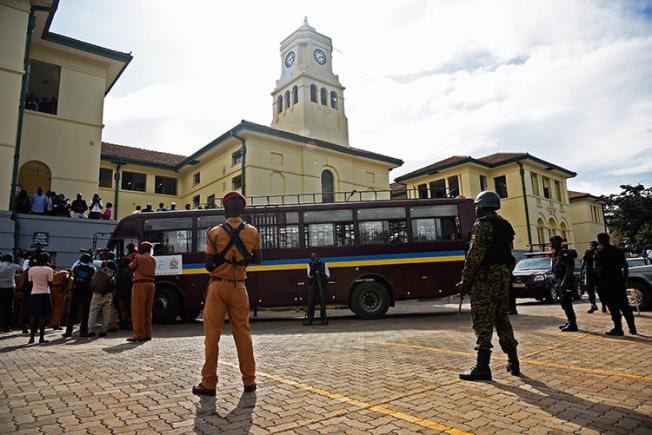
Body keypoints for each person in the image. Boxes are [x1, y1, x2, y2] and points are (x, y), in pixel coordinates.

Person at [192, 191, 262, 396]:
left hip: (217, 286)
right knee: (243, 334)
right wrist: (240, 259)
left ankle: (209, 383)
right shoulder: (253, 232)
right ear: (242, 210)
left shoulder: (214, 232)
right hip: (239, 287)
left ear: (224, 209)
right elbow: (257, 259)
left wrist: (222, 262)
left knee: (212, 336)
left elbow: (207, 265)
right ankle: (249, 381)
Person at [457, 191, 519, 381]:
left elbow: (474, 257)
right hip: (502, 278)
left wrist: (464, 283)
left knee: (483, 320)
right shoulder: (505, 225)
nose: (476, 209)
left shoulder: (482, 225)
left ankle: (482, 366)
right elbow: (510, 256)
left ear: (483, 207)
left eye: (477, 206)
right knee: (501, 318)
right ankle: (513, 361)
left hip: (485, 279)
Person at [594, 233, 637, 336]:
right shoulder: (617, 251)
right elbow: (625, 267)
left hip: (607, 283)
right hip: (619, 281)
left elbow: (597, 269)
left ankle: (618, 328)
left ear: (600, 240)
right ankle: (632, 327)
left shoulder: (600, 252)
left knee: (613, 307)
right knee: (625, 306)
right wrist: (625, 281)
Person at [127, 241, 156, 342]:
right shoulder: (153, 259)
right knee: (148, 310)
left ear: (143, 249)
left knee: (138, 310)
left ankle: (138, 334)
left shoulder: (138, 258)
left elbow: (131, 267)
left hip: (140, 285)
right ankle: (147, 333)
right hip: (151, 285)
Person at [550, 235, 578, 332]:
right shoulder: (555, 253)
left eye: (554, 242)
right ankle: (569, 321)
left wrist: (564, 282)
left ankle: (573, 323)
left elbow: (569, 268)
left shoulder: (564, 252)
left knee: (567, 302)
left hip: (566, 280)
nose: (552, 244)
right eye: (551, 243)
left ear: (559, 242)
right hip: (559, 280)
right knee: (563, 302)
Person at [63, 253, 95, 338]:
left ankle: (68, 331)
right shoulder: (92, 268)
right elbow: (92, 279)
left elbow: (72, 276)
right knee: (85, 312)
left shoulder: (76, 267)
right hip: (87, 291)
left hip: (76, 290)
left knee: (73, 311)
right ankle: (83, 331)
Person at [88, 251, 118, 337]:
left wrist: (94, 254)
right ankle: (104, 330)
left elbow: (92, 261)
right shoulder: (114, 265)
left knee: (93, 310)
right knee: (106, 311)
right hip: (108, 291)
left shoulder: (100, 263)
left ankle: (90, 330)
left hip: (97, 291)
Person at [26, 252, 54, 344]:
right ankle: (41, 338)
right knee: (43, 317)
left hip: (34, 294)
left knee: (33, 317)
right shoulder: (49, 269)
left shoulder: (31, 269)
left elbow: (30, 283)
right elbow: (50, 283)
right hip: (45, 294)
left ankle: (31, 338)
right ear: (47, 260)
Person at [304, 253, 330, 326]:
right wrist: (313, 268)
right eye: (312, 259)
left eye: (314, 258)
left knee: (322, 302)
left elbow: (328, 275)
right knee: (311, 302)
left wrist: (322, 274)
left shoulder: (324, 264)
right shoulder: (309, 265)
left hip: (322, 285)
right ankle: (309, 319)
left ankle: (323, 319)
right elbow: (309, 275)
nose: (313, 260)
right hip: (313, 285)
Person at [116, 243, 137, 330]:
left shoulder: (120, 271)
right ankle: (131, 323)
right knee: (130, 308)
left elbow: (117, 282)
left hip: (122, 293)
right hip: (130, 292)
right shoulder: (131, 271)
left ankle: (123, 323)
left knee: (123, 309)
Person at [0, 254, 22, 332]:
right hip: (9, 289)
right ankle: (7, 327)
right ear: (11, 259)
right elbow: (23, 268)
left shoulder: (0, 265)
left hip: (0, 288)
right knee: (9, 308)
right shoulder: (14, 266)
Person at [581, 241, 602, 314]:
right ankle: (602, 305)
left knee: (590, 290)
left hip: (590, 273)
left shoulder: (588, 252)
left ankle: (593, 304)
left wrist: (581, 272)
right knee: (600, 289)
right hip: (597, 273)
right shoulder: (599, 252)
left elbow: (583, 263)